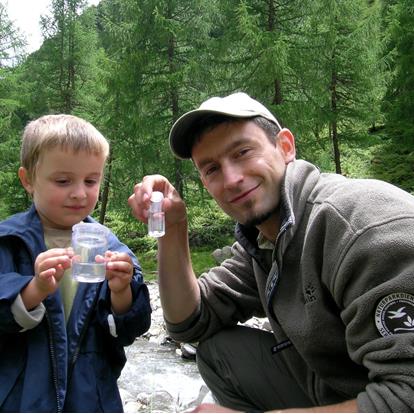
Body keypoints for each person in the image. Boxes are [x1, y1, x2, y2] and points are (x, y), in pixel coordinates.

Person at [128, 92, 414, 413]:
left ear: (285, 147)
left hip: (389, 394)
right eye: (212, 169)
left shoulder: (362, 226)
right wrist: (173, 227)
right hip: (337, 387)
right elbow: (188, 322)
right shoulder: (265, 241)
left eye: (243, 152)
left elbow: (407, 397)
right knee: (221, 352)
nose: (232, 179)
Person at [0, 114, 151, 412]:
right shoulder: (8, 241)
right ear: (28, 180)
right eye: (63, 181)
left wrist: (122, 292)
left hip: (91, 396)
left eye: (91, 180)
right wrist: (34, 289)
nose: (79, 193)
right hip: (20, 397)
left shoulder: (109, 244)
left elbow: (131, 330)